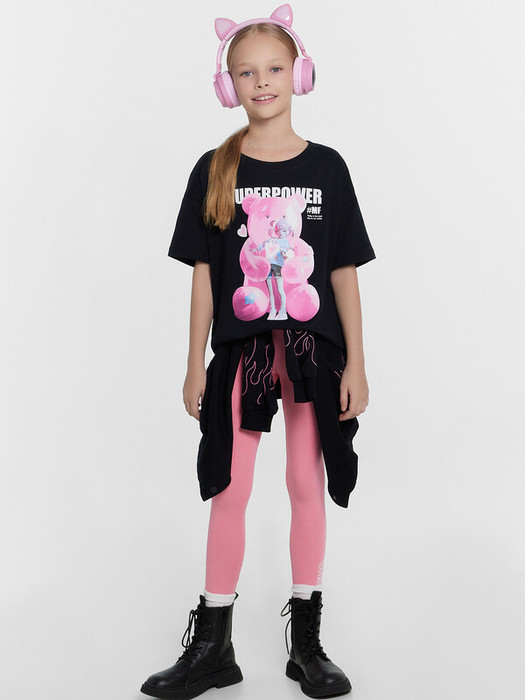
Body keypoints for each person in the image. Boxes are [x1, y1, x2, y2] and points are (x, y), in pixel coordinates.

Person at [140, 4, 376, 699]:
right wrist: (194, 363)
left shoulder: (328, 168)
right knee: (230, 486)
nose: (261, 82)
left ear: (298, 75)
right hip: (242, 351)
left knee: (305, 481)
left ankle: (307, 643)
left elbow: (343, 272)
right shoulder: (214, 168)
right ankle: (213, 644)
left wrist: (358, 363)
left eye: (273, 69)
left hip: (312, 351)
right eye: (245, 72)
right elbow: (204, 277)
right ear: (228, 85)